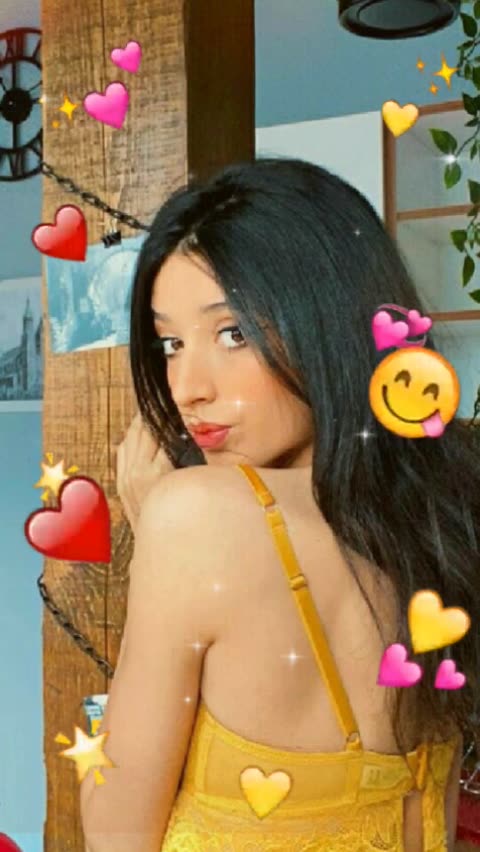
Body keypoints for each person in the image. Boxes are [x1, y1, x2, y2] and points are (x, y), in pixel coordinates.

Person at [80, 157, 480, 852]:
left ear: (329, 319)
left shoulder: (194, 518)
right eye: (170, 343)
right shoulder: (442, 517)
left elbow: (115, 836)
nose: (189, 387)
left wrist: (154, 543)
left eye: (233, 333)